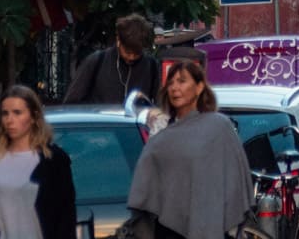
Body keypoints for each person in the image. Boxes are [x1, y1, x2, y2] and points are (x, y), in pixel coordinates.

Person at [126, 61, 253, 239]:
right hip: (169, 229)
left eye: (182, 81)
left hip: (211, 223)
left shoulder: (219, 127)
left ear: (199, 87)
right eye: (171, 83)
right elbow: (147, 182)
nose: (175, 88)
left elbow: (233, 178)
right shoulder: (161, 133)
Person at [0, 86, 77, 239]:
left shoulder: (54, 161)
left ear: (33, 116)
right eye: (5, 114)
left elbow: (65, 216)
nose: (9, 120)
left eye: (17, 113)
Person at [62, 14, 163, 106]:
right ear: (118, 39)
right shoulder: (97, 61)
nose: (131, 57)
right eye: (127, 52)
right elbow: (71, 102)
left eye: (137, 53)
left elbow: (161, 105)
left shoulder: (151, 65)